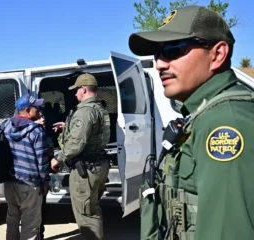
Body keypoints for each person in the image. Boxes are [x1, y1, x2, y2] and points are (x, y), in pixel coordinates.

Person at [128, 5, 254, 240]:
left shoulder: (225, 122)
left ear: (217, 54)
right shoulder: (202, 115)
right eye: (157, 54)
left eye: (174, 50)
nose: (159, 65)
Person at [51, 73, 111, 240]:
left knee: (86, 215)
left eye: (76, 90)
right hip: (99, 165)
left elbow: (76, 144)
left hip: (86, 169)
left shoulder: (84, 112)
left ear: (84, 89)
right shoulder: (99, 109)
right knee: (92, 208)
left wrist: (58, 158)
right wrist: (68, 126)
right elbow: (92, 133)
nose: (75, 93)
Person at [2, 91, 50, 240]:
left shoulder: (6, 125)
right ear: (28, 111)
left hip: (10, 182)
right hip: (29, 185)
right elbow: (42, 161)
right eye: (37, 108)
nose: (40, 111)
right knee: (30, 224)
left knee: (12, 219)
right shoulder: (36, 132)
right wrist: (45, 182)